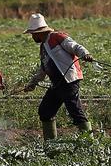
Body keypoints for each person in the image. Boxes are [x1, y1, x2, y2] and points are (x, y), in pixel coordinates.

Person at [22, 13, 95, 142]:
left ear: (39, 32)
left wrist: (85, 54)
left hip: (69, 80)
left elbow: (75, 46)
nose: (32, 37)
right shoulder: (43, 47)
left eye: (33, 34)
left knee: (75, 111)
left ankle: (89, 142)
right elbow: (43, 69)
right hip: (57, 84)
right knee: (45, 111)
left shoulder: (57, 37)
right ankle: (51, 143)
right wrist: (33, 83)